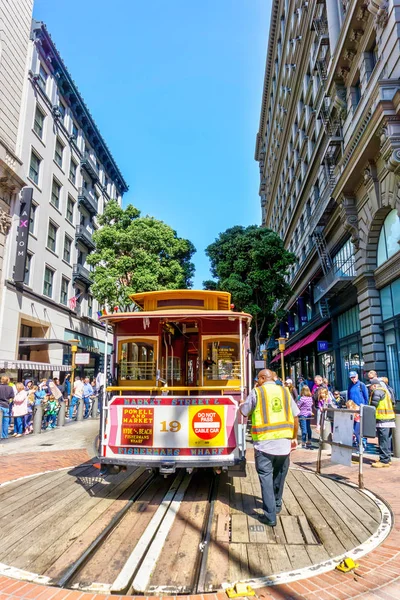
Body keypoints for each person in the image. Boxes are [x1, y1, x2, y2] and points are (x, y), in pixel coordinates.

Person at [240, 369, 299, 527]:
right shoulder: (285, 392)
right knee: (279, 475)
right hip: (284, 444)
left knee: (266, 478)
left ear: (262, 378)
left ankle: (270, 516)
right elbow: (295, 416)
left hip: (264, 444)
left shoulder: (257, 392)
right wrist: (294, 437)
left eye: (258, 379)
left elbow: (245, 411)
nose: (257, 382)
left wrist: (241, 405)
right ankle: (277, 504)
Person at [369, 377, 396, 467]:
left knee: (383, 440)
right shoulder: (385, 391)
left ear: (375, 385)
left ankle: (384, 460)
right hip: (389, 418)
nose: (370, 388)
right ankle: (387, 458)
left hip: (383, 419)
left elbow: (373, 406)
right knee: (387, 440)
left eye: (371, 386)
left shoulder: (377, 392)